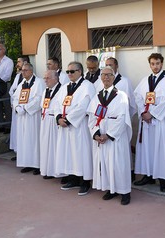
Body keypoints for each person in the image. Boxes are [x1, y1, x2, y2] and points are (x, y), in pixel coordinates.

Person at [87, 66, 132, 205]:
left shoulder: (121, 96)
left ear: (114, 77)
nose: (106, 77)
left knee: (119, 164)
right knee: (105, 164)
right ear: (100, 77)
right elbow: (92, 117)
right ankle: (110, 189)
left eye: (109, 75)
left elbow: (122, 118)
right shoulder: (97, 96)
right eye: (104, 75)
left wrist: (109, 135)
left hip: (115, 138)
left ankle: (124, 192)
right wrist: (96, 134)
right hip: (101, 136)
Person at [134, 53, 165, 192]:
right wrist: (143, 113)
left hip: (161, 121)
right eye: (152, 64)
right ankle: (148, 175)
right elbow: (138, 96)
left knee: (160, 149)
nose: (155, 66)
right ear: (150, 64)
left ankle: (162, 179)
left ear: (162, 63)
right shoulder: (145, 80)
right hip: (146, 121)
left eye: (157, 63)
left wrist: (152, 114)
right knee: (148, 148)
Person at [54, 61, 95, 196]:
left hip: (79, 126)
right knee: (69, 153)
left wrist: (69, 120)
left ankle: (84, 182)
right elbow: (57, 103)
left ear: (80, 72)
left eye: (72, 71)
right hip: (65, 126)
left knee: (81, 153)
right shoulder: (65, 87)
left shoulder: (87, 86)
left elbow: (84, 105)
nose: (69, 74)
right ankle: (73, 178)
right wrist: (58, 117)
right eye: (68, 71)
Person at [13, 63, 44, 174]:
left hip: (33, 116)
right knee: (24, 140)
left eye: (25, 70)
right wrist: (17, 107)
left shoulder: (38, 82)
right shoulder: (22, 83)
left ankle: (37, 165)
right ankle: (27, 163)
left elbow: (39, 99)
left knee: (34, 139)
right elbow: (15, 97)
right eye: (22, 70)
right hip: (22, 117)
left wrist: (26, 108)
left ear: (31, 71)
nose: (23, 72)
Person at [40, 70, 62, 179]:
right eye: (44, 78)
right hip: (45, 121)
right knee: (46, 147)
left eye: (47, 78)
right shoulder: (46, 90)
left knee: (55, 147)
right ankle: (48, 170)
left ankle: (58, 172)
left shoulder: (61, 90)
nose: (45, 80)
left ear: (55, 78)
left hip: (54, 122)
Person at [9, 55, 30, 160]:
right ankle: (17, 152)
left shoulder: (33, 80)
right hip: (16, 107)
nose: (17, 64)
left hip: (25, 109)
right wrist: (15, 102)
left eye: (19, 62)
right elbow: (12, 90)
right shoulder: (18, 77)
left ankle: (23, 154)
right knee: (17, 131)